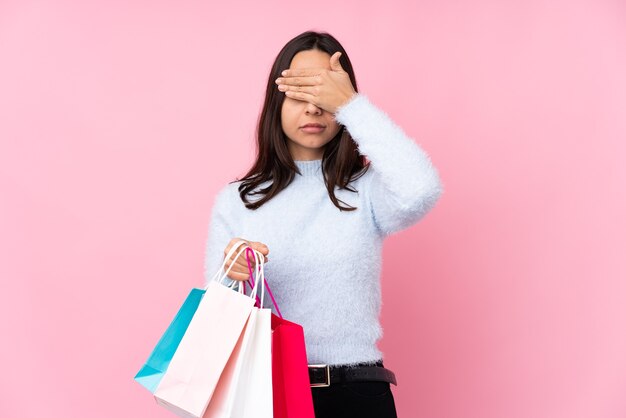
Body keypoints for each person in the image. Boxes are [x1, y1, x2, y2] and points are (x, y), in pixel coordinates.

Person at [203, 30, 444, 418]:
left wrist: (351, 105)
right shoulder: (238, 201)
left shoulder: (366, 191)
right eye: (300, 92)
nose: (313, 109)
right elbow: (219, 321)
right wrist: (231, 276)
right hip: (267, 395)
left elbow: (421, 190)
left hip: (359, 395)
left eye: (323, 94)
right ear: (275, 102)